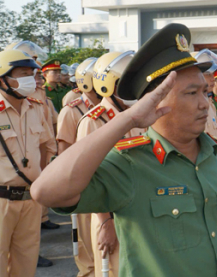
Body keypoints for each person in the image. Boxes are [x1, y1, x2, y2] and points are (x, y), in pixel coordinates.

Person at [31, 23, 217, 277]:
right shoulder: (130, 163)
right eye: (191, 93)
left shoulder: (215, 154)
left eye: (204, 91)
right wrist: (127, 120)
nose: (204, 103)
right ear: (154, 101)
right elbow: (45, 192)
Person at [75, 51, 145, 277]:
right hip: (112, 218)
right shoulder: (94, 121)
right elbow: (87, 178)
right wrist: (106, 223)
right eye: (128, 83)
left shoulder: (139, 116)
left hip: (142, 213)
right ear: (108, 85)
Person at [0, 48, 53, 276]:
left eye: (31, 74)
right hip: (1, 200)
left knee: (26, 265)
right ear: (3, 77)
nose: (30, 80)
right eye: (22, 73)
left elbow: (46, 148)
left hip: (31, 199)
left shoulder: (36, 107)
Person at [54, 58, 102, 276]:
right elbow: (64, 155)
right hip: (84, 188)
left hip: (106, 185)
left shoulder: (109, 109)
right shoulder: (71, 111)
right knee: (86, 248)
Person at [193, 49, 217, 140]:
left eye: (213, 74)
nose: (213, 79)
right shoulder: (190, 107)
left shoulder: (210, 103)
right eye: (208, 74)